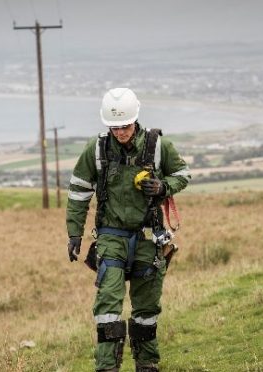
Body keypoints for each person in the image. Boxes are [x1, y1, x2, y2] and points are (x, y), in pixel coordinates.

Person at [66, 88, 190, 372]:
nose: (120, 132)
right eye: (114, 127)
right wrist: (74, 234)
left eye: (124, 126)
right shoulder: (96, 150)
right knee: (108, 303)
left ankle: (147, 365)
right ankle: (107, 367)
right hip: (110, 237)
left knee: (146, 309)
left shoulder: (158, 146)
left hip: (149, 236)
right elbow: (78, 192)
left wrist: (163, 187)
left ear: (135, 120)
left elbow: (183, 175)